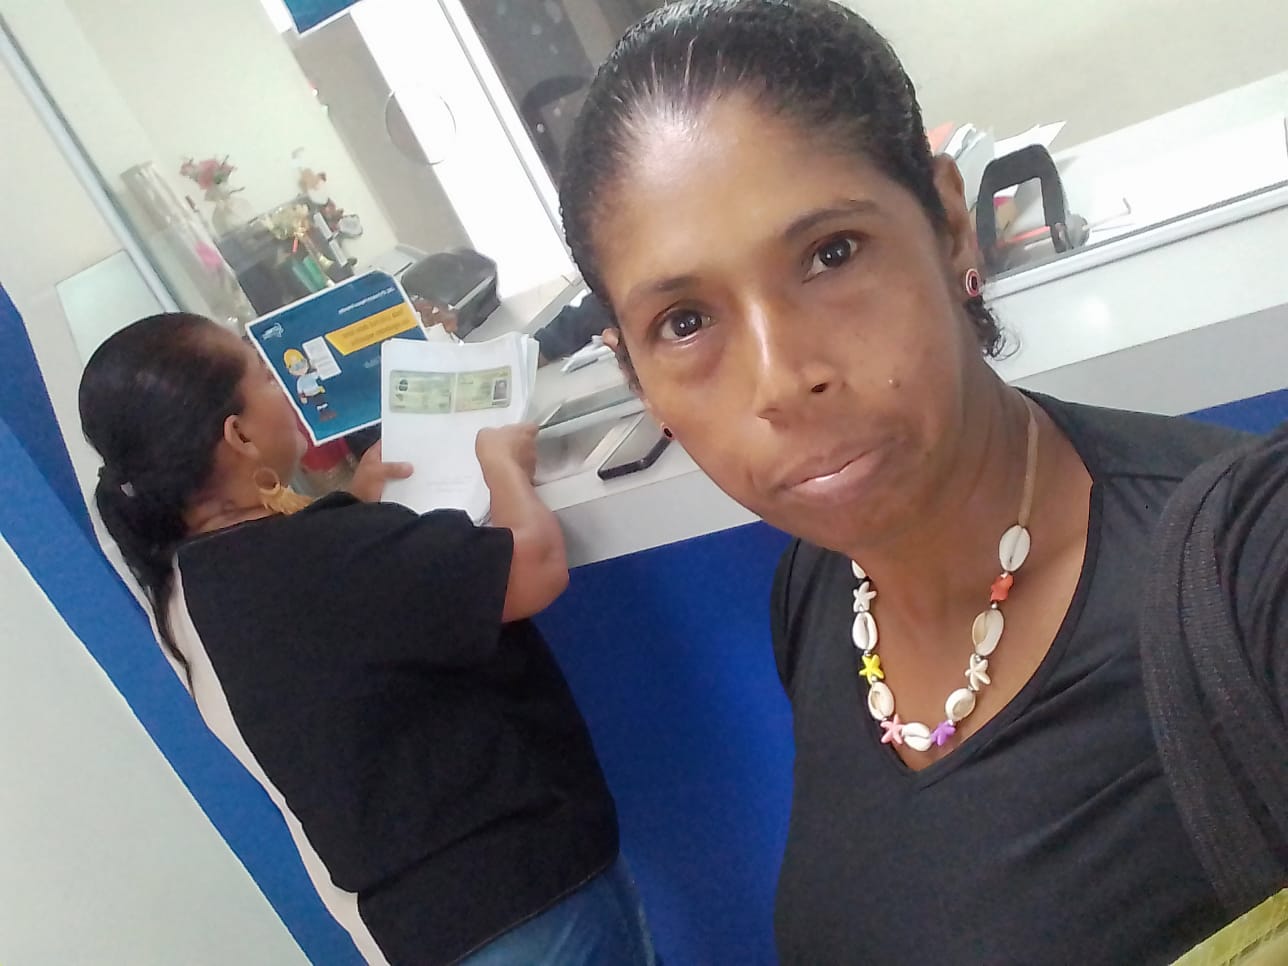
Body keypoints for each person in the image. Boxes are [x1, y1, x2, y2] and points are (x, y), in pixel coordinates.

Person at [557, 1, 1286, 963]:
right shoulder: (820, 591)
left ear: (948, 225)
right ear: (634, 373)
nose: (782, 380)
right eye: (685, 322)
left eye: (831, 255)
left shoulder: (1239, 578)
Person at [78, 313, 656, 966]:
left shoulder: (184, 594)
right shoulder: (320, 558)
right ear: (239, 435)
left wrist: (356, 503)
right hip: (523, 897)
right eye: (264, 376)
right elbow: (536, 568)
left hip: (424, 929)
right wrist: (505, 471)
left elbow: (329, 645)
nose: (281, 391)